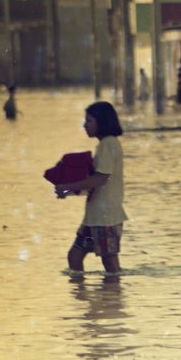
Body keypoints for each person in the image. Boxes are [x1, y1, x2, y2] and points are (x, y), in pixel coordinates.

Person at [55, 101, 128, 274]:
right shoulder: (106, 145)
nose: (85, 125)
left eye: (89, 121)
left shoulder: (108, 145)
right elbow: (96, 183)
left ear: (101, 122)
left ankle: (112, 298)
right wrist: (69, 190)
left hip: (105, 219)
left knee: (110, 265)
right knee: (75, 255)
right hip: (95, 218)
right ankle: (83, 297)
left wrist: (68, 187)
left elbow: (101, 178)